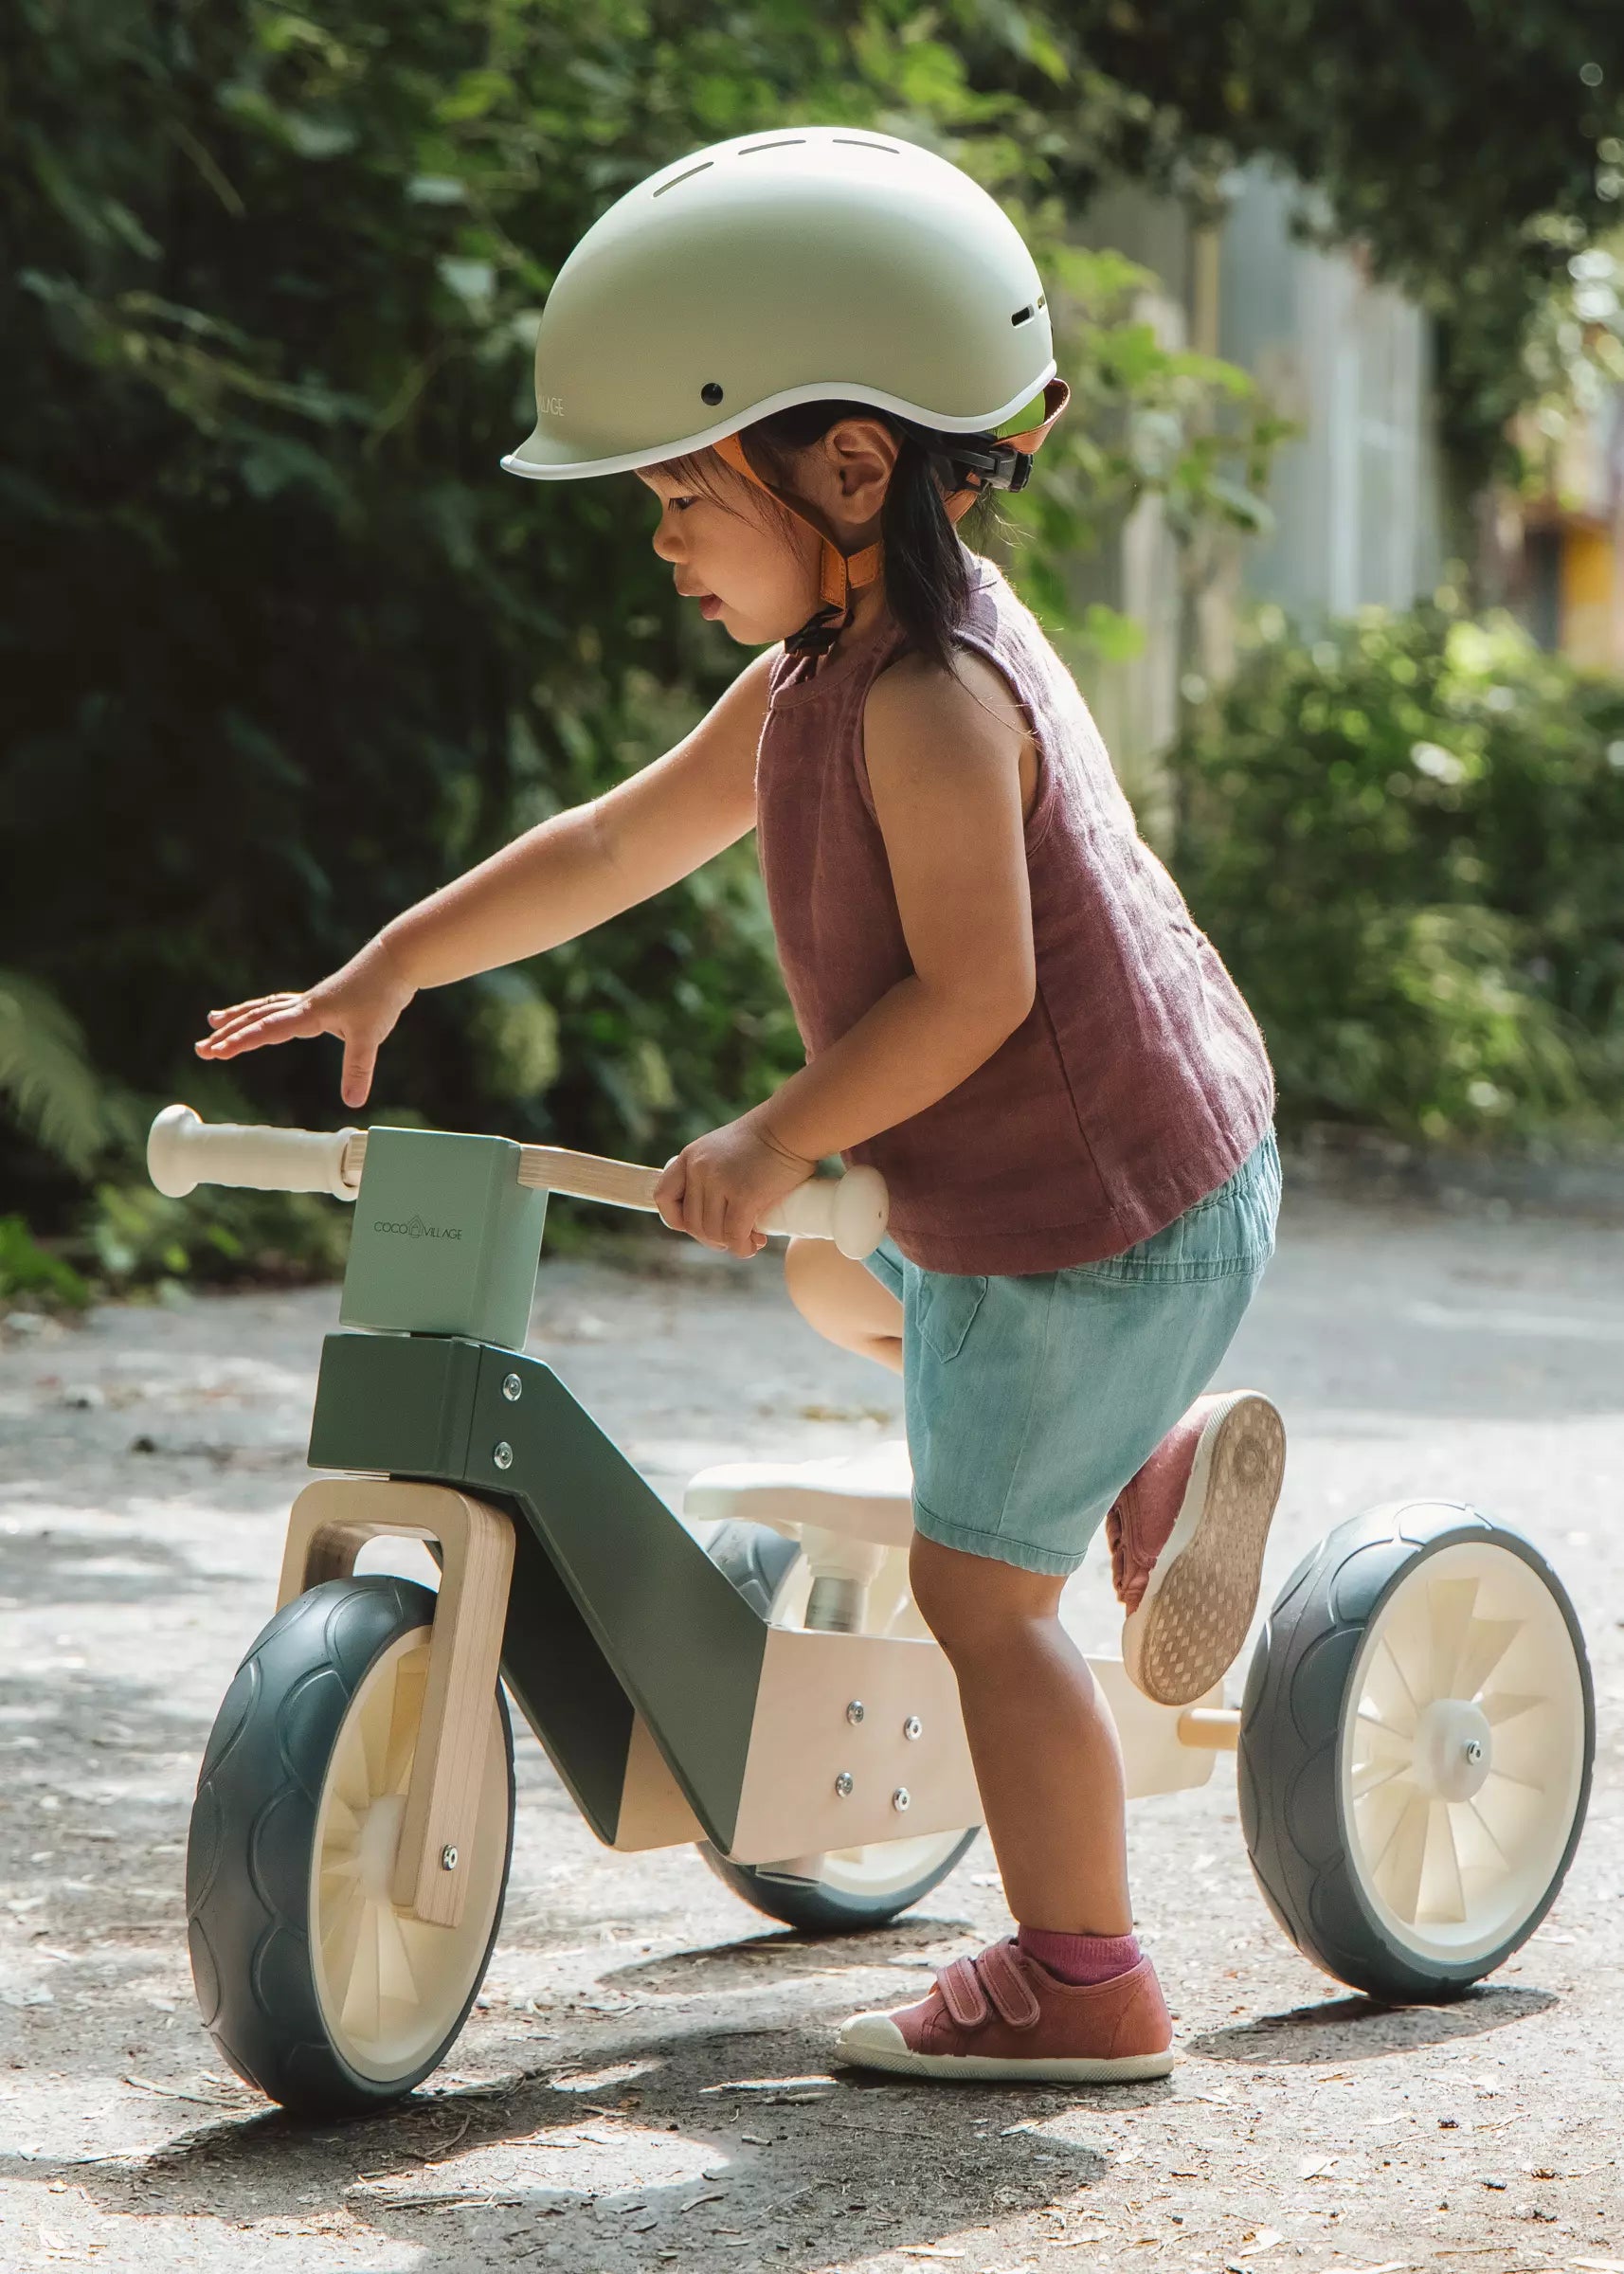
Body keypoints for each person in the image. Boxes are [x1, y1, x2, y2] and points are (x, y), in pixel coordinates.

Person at [197, 128, 1285, 2084]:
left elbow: (978, 994)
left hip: (1108, 1218)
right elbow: (617, 840)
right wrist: (397, 964)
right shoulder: (818, 669)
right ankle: (1135, 1458)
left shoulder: (930, 701)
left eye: (685, 493)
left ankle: (1086, 1974)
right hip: (1026, 1199)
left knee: (976, 1595)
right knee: (826, 1279)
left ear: (850, 469)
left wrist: (776, 1133)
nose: (662, 542)